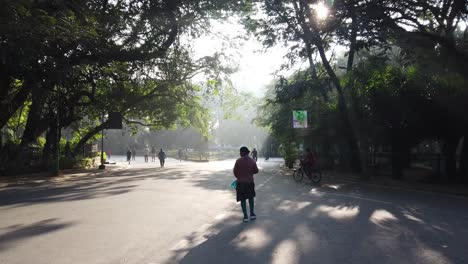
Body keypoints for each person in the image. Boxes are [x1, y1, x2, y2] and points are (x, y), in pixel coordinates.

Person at [233, 146, 259, 222]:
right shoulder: (252, 161)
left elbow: (235, 172)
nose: (240, 154)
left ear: (243, 152)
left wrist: (240, 177)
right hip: (250, 183)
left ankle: (245, 216)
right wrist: (250, 173)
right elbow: (256, 171)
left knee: (243, 199)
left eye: (240, 152)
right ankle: (252, 214)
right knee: (251, 198)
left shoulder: (238, 161)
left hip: (241, 183)